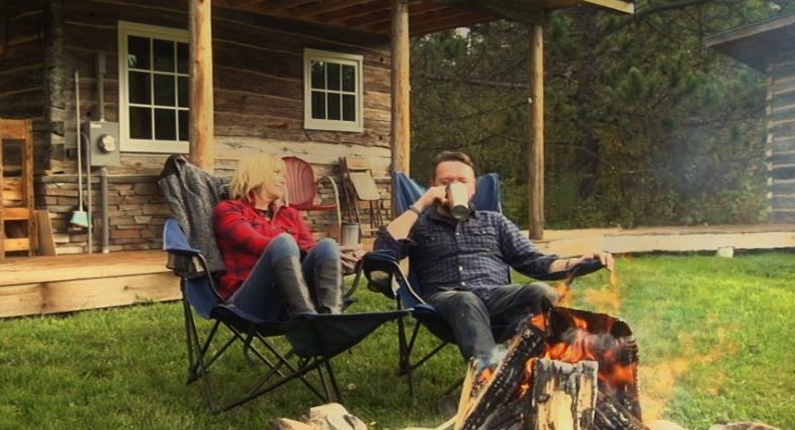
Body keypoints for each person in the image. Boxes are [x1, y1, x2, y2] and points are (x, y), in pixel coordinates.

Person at [375, 150, 613, 370]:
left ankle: (522, 368)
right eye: (445, 182)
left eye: (461, 181)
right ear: (433, 187)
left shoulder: (494, 222)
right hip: (445, 301)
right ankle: (488, 377)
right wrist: (420, 204)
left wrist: (579, 262)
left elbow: (537, 262)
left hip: (497, 297)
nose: (453, 187)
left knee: (542, 293)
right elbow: (384, 249)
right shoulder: (418, 224)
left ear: (473, 188)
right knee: (465, 300)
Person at [213, 152, 343, 321]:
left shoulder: (290, 214)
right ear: (255, 174)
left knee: (328, 245)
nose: (284, 180)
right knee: (283, 242)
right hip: (249, 302)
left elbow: (311, 247)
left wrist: (339, 255)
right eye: (276, 173)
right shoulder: (229, 210)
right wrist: (292, 247)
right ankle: (305, 319)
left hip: (287, 299)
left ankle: (332, 318)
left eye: (284, 175)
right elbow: (254, 243)